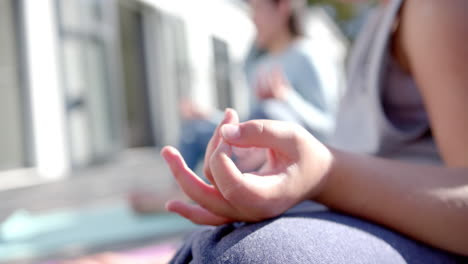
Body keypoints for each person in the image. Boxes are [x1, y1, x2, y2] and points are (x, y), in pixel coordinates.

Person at [160, 0, 468, 262]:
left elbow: (327, 123)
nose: (252, 17)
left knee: (245, 252)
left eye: (257, 7)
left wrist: (324, 173)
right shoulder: (375, 22)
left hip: (394, 210)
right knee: (220, 236)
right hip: (336, 191)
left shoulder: (436, 10)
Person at [177, 0, 340, 171]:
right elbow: (251, 123)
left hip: (289, 157)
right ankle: (182, 190)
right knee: (194, 132)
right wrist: (209, 116)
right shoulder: (259, 65)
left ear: (283, 7)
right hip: (251, 149)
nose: (253, 18)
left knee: (270, 110)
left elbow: (329, 127)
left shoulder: (307, 56)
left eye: (258, 8)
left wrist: (287, 98)